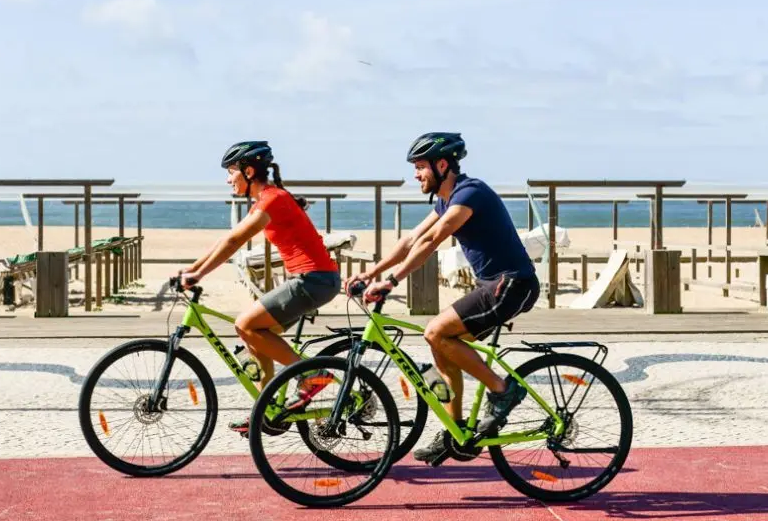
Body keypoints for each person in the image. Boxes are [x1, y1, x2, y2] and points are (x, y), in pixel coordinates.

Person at [345, 132, 540, 463]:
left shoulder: (470, 193)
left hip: (512, 284)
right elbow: (412, 239)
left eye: (420, 167)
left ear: (442, 165)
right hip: (492, 286)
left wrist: (390, 282)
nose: (416, 175)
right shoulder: (446, 200)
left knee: (435, 331)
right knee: (442, 345)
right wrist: (371, 272)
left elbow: (432, 240)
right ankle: (456, 431)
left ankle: (503, 390)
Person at [180, 141, 340, 433]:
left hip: (313, 280)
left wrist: (198, 274)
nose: (228, 179)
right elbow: (227, 239)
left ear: (249, 171)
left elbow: (234, 242)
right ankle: (265, 410)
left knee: (245, 325)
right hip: (311, 280)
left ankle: (312, 375)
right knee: (256, 337)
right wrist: (191, 270)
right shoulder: (266, 200)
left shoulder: (272, 199)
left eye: (231, 172)